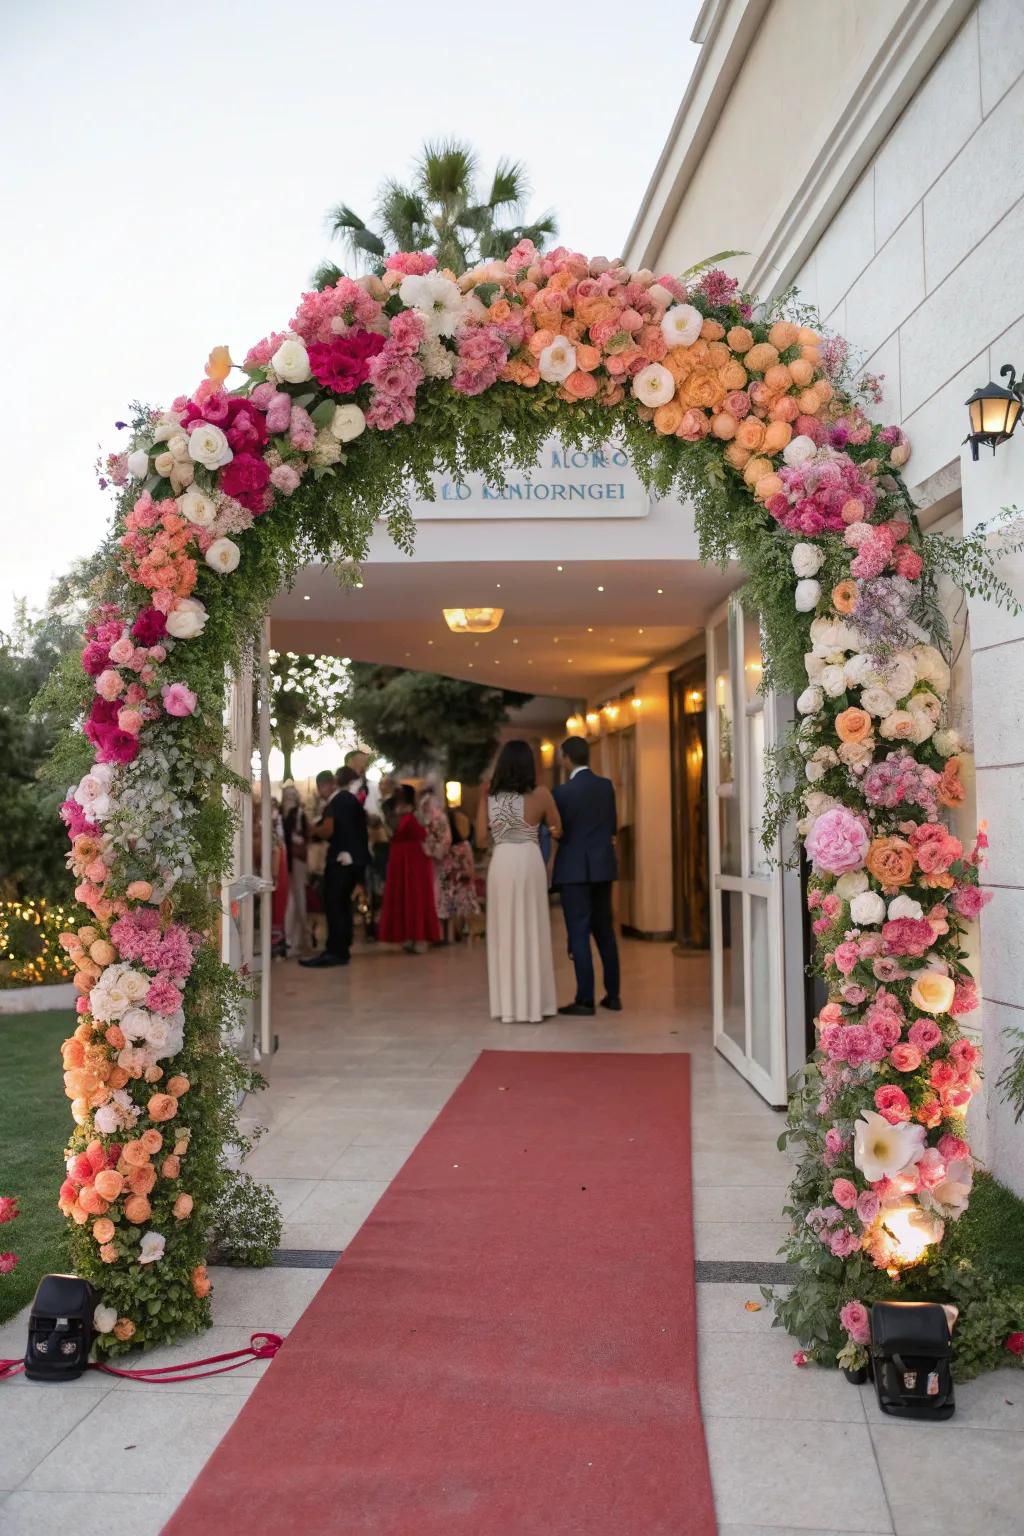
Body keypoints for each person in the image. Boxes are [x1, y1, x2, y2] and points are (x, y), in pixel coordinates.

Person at [475, 740, 561, 1024]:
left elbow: (480, 839)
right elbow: (558, 828)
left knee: (504, 931)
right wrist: (546, 833)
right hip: (529, 859)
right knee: (532, 928)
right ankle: (537, 1003)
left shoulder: (490, 796)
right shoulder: (542, 795)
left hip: (502, 861)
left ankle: (507, 1006)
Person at [552, 737, 621, 1016]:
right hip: (602, 868)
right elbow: (612, 826)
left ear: (566, 758)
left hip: (574, 871)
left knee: (579, 933)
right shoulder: (606, 787)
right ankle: (613, 996)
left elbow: (560, 831)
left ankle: (585, 999)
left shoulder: (563, 792)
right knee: (605, 932)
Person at [300, 767, 369, 968]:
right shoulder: (349, 800)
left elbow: (328, 830)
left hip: (341, 861)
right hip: (354, 861)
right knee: (343, 905)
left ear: (325, 786)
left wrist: (313, 829)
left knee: (334, 905)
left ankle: (335, 951)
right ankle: (341, 947)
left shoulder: (337, 802)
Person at [378, 784, 442, 950]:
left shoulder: (416, 814)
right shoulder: (392, 811)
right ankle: (407, 935)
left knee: (414, 895)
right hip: (400, 857)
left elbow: (423, 833)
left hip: (413, 859)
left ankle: (419, 937)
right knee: (402, 896)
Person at [437, 805, 480, 942]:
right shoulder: (464, 846)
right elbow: (471, 867)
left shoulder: (443, 850)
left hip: (448, 886)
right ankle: (462, 934)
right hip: (463, 886)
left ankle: (448, 937)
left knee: (448, 907)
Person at [281, 782, 310, 956]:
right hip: (290, 861)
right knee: (294, 900)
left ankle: (298, 939)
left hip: (296, 861)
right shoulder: (285, 814)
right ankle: (294, 939)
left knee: (297, 899)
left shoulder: (297, 814)